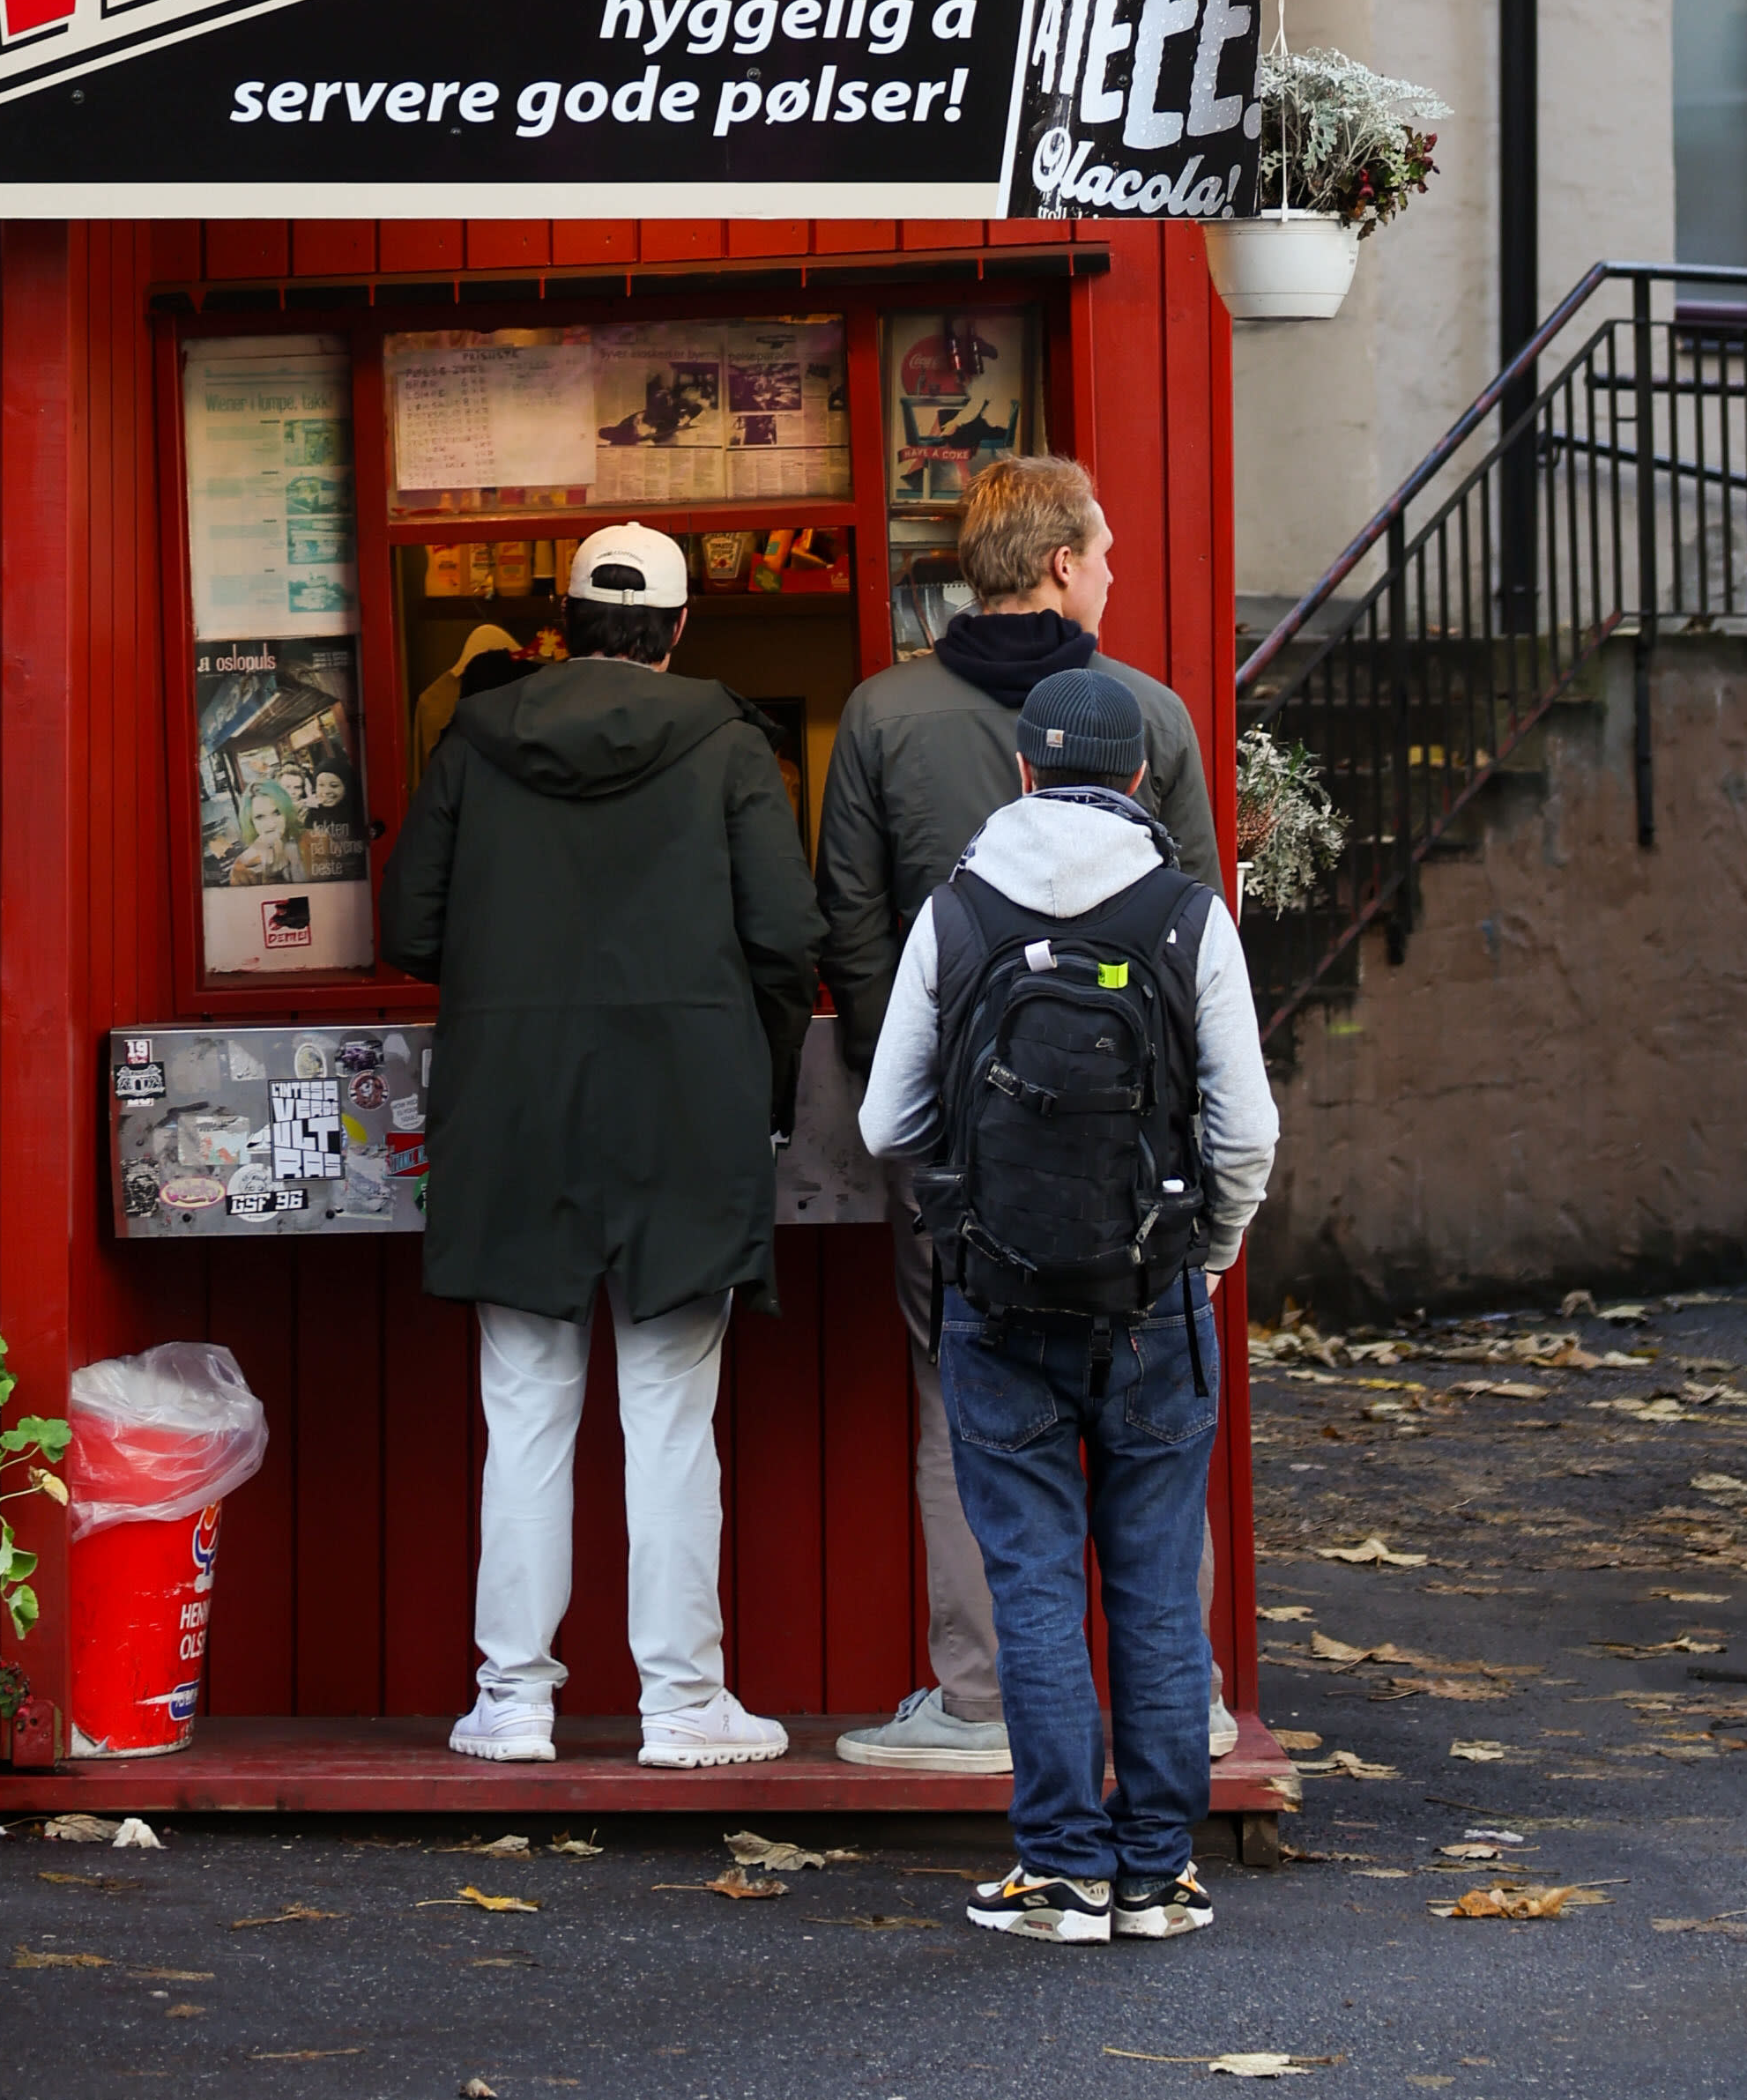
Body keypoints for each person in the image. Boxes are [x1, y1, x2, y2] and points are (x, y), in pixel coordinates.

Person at [375, 517, 823, 1772]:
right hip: (687, 1108)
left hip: (512, 1106)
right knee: (672, 1418)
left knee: (524, 1409)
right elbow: (786, 935)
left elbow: (410, 927)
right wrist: (763, 1079)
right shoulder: (729, 741)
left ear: (563, 621)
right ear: (679, 626)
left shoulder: (476, 737)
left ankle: (513, 1701)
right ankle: (681, 1704)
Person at [814, 453, 1217, 1775]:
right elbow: (1203, 932)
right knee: (1155, 1400)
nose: (1111, 573)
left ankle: (981, 1700)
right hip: (1141, 1148)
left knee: (961, 1399)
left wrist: (912, 1093)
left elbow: (851, 926)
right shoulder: (1151, 713)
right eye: (1102, 553)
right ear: (1059, 564)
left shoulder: (881, 714)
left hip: (955, 1149)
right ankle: (1190, 1701)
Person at [861, 660, 1275, 1940]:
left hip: (997, 1301)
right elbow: (1247, 1131)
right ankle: (1160, 1872)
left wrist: (971, 1202)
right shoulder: (1187, 914)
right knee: (1155, 1586)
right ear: (1139, 777)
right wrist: (1207, 1256)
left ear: (1024, 770)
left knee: (1035, 1588)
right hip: (1154, 1302)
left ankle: (1063, 1871)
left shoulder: (957, 912)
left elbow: (886, 1123)